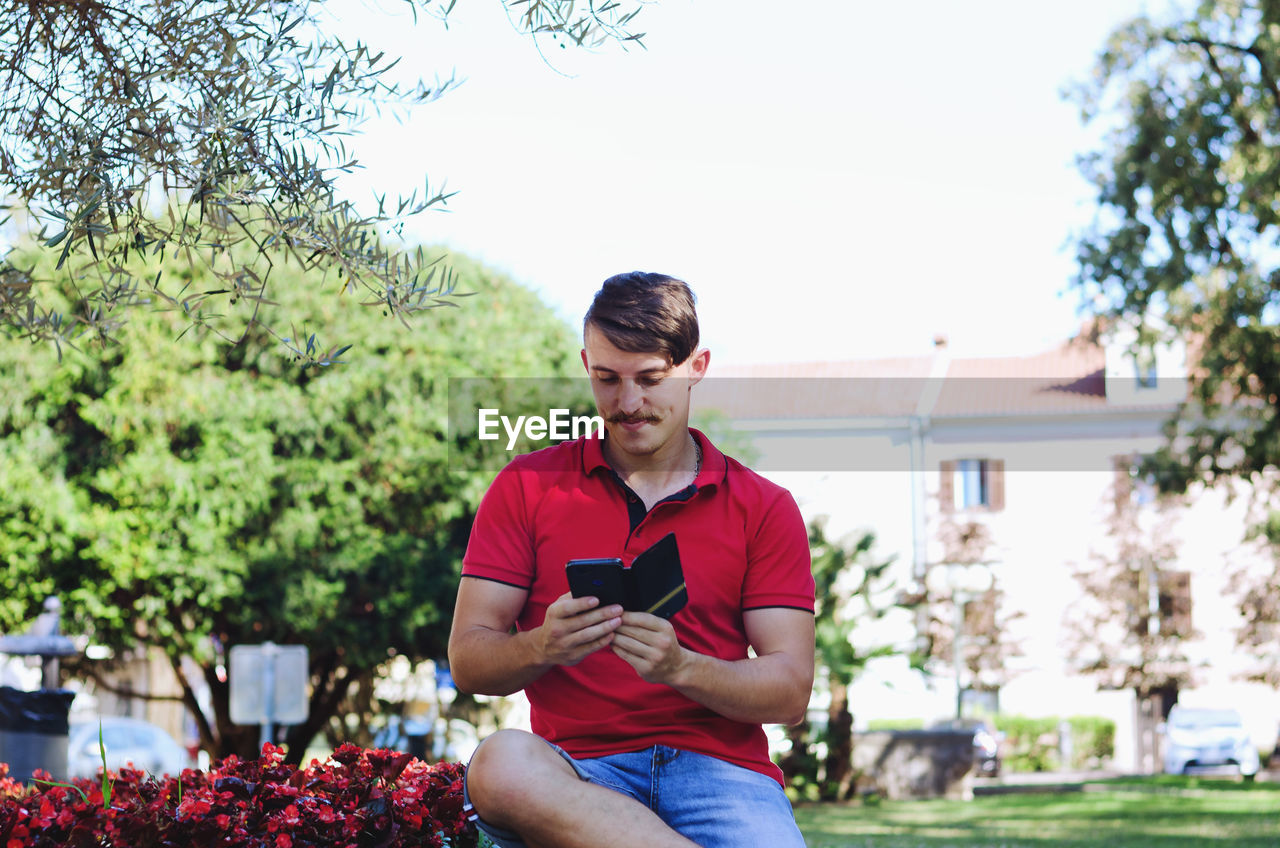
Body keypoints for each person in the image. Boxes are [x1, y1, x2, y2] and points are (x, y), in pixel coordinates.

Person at [448, 271, 815, 848]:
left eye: (650, 379)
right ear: (586, 365)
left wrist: (680, 667)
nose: (628, 403)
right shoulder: (526, 486)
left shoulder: (764, 507)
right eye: (607, 379)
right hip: (574, 773)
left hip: (722, 775)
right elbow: (469, 662)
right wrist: (541, 645)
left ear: (697, 366)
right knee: (499, 763)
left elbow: (789, 691)